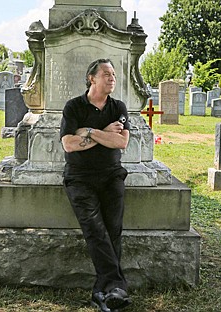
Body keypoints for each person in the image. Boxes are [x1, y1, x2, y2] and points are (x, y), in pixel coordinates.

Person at [60, 59, 131, 311]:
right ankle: (116, 287)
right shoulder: (74, 107)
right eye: (106, 74)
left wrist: (88, 131)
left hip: (111, 175)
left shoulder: (118, 107)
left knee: (113, 230)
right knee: (94, 227)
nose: (112, 78)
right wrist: (104, 132)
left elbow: (121, 143)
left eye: (113, 74)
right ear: (92, 78)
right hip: (79, 178)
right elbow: (68, 144)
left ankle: (104, 291)